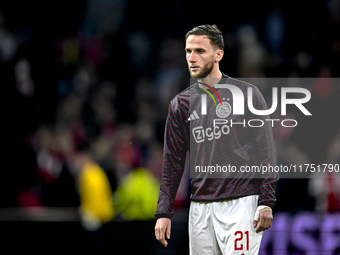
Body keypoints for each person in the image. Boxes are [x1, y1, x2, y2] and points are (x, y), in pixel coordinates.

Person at [154, 24, 278, 255]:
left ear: (218, 54)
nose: (192, 57)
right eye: (188, 51)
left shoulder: (248, 94)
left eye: (200, 51)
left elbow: (266, 153)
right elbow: (172, 162)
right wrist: (164, 212)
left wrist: (266, 201)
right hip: (200, 207)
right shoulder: (180, 105)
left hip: (241, 202)